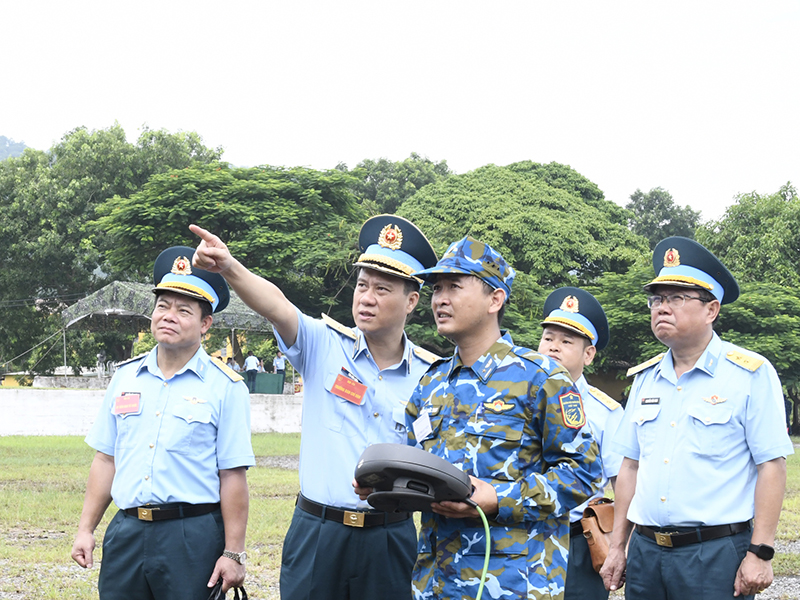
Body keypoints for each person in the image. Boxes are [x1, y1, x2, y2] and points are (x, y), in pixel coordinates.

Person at [190, 215, 439, 600]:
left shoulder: (431, 375)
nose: (366, 298)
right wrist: (229, 266)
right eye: (362, 285)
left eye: (382, 289)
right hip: (318, 532)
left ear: (411, 300)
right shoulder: (324, 344)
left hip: (390, 538)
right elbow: (277, 306)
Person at [359, 236, 601, 600]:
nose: (440, 298)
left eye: (455, 286)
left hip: (514, 583)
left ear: (495, 299)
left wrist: (498, 498)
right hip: (436, 582)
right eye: (437, 288)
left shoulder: (541, 378)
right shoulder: (433, 381)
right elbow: (416, 468)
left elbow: (583, 474)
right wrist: (382, 484)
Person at [600, 236, 794, 600]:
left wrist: (761, 552)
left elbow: (772, 466)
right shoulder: (644, 379)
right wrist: (617, 546)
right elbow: (629, 467)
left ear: (711, 310)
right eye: (656, 299)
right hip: (645, 552)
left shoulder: (749, 373)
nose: (661, 308)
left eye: (676, 298)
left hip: (715, 554)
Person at [71, 246, 255, 599]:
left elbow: (232, 474)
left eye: (183, 310)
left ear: (205, 324)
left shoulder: (226, 387)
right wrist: (85, 529)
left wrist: (233, 552)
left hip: (191, 537)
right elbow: (105, 459)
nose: (168, 316)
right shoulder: (125, 378)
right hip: (126, 532)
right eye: (162, 306)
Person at [538, 287, 623, 600]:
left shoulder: (606, 413)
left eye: (566, 341)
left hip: (578, 542)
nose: (553, 347)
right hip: (520, 538)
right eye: (548, 338)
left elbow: (622, 482)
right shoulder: (513, 398)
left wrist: (620, 544)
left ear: (588, 354)